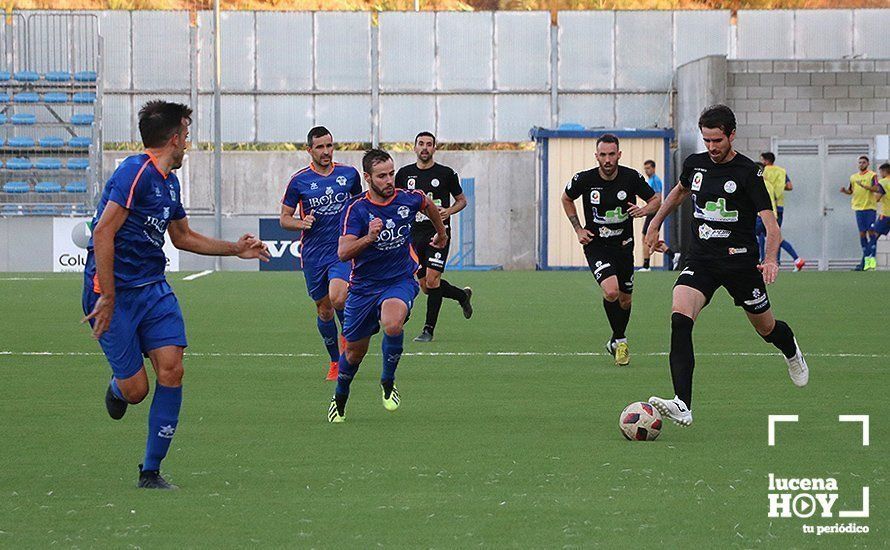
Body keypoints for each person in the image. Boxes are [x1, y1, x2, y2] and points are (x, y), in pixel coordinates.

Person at [82, 101, 270, 488]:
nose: (188, 143)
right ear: (173, 138)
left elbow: (182, 237)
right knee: (137, 391)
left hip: (153, 289)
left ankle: (150, 471)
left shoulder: (170, 182)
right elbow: (103, 233)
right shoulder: (135, 173)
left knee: (173, 369)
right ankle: (119, 387)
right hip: (113, 294)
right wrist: (109, 296)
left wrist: (235, 249)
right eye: (185, 135)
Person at [644, 104, 808, 427]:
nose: (712, 147)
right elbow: (678, 193)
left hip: (740, 264)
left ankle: (791, 351)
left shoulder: (749, 173)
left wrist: (771, 258)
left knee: (767, 329)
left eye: (717, 140)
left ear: (732, 135)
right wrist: (654, 224)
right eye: (706, 140)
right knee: (680, 318)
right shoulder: (695, 165)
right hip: (701, 259)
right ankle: (682, 403)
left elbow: (771, 226)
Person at [328, 149, 448, 423]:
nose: (389, 180)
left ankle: (387, 381)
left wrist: (441, 234)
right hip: (363, 287)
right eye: (382, 176)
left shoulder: (407, 198)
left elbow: (427, 205)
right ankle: (340, 397)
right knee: (354, 354)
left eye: (391, 174)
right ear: (367, 178)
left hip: (399, 279)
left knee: (393, 323)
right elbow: (344, 253)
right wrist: (369, 237)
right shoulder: (356, 209)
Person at [561, 134, 661, 366]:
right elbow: (566, 198)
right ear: (596, 156)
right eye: (603, 155)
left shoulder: (631, 177)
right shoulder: (584, 179)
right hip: (597, 246)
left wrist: (644, 210)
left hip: (625, 246)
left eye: (611, 154)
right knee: (612, 292)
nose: (607, 159)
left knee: (625, 300)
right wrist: (578, 229)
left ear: (619, 154)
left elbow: (656, 199)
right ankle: (621, 340)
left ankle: (615, 339)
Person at [280, 127, 363, 380]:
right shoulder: (299, 181)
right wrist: (300, 223)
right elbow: (285, 218)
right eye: (320, 147)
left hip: (341, 250)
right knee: (324, 309)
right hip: (314, 253)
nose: (326, 151)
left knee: (339, 298)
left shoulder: (348, 174)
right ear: (309, 150)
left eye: (329, 146)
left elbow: (360, 205)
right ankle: (334, 361)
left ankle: (348, 340)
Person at [394, 132, 473, 343]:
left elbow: (462, 201)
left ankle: (428, 330)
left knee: (432, 279)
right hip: (413, 235)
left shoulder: (446, 173)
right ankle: (461, 296)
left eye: (429, 144)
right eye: (421, 144)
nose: (425, 148)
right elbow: (395, 201)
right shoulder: (404, 174)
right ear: (414, 148)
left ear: (434, 148)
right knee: (426, 287)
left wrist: (449, 211)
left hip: (438, 234)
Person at [758, 152, 805, 271]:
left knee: (767, 235)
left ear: (766, 161)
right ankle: (777, 262)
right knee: (774, 234)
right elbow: (789, 186)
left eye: (762, 160)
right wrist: (778, 190)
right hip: (779, 206)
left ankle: (769, 261)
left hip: (765, 208)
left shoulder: (763, 173)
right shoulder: (781, 171)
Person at [839, 155, 878, 271]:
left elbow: (876, 188)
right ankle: (866, 260)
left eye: (863, 163)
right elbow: (851, 190)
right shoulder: (853, 177)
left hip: (870, 207)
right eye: (860, 163)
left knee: (871, 232)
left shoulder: (872, 175)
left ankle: (872, 259)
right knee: (862, 234)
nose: (861, 164)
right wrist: (845, 191)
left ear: (868, 164)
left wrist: (866, 187)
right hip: (858, 208)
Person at [639, 159, 677, 271]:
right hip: (652, 211)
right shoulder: (650, 180)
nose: (646, 170)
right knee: (651, 239)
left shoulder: (655, 180)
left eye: (648, 168)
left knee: (646, 238)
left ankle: (646, 266)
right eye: (645, 168)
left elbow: (657, 198)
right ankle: (672, 255)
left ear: (654, 168)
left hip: (654, 212)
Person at [866, 162, 890, 257]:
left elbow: (877, 198)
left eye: (881, 172)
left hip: (886, 215)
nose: (880, 175)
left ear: (885, 171)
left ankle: (867, 263)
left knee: (873, 236)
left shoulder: (883, 183)